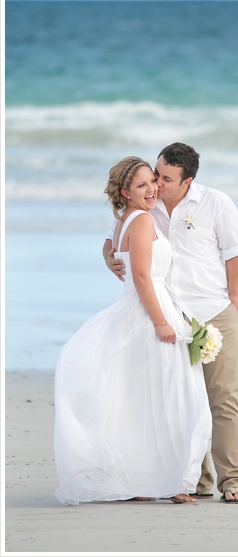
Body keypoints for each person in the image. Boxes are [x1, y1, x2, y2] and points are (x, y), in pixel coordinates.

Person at [54, 157, 212, 505]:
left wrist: (108, 255)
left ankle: (147, 482)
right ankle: (167, 481)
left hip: (138, 310)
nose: (152, 188)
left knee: (144, 400)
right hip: (147, 313)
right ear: (125, 192)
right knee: (169, 398)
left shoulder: (125, 220)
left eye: (152, 181)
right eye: (141, 185)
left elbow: (111, 247)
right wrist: (160, 322)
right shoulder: (140, 220)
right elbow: (141, 277)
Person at [103, 143, 238, 503]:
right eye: (155, 175)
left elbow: (235, 256)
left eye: (166, 179)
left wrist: (233, 306)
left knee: (223, 399)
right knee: (181, 400)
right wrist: (108, 258)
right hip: (169, 316)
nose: (157, 184)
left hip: (213, 311)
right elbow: (112, 241)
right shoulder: (145, 208)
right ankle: (194, 480)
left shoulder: (217, 203)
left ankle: (232, 481)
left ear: (188, 181)